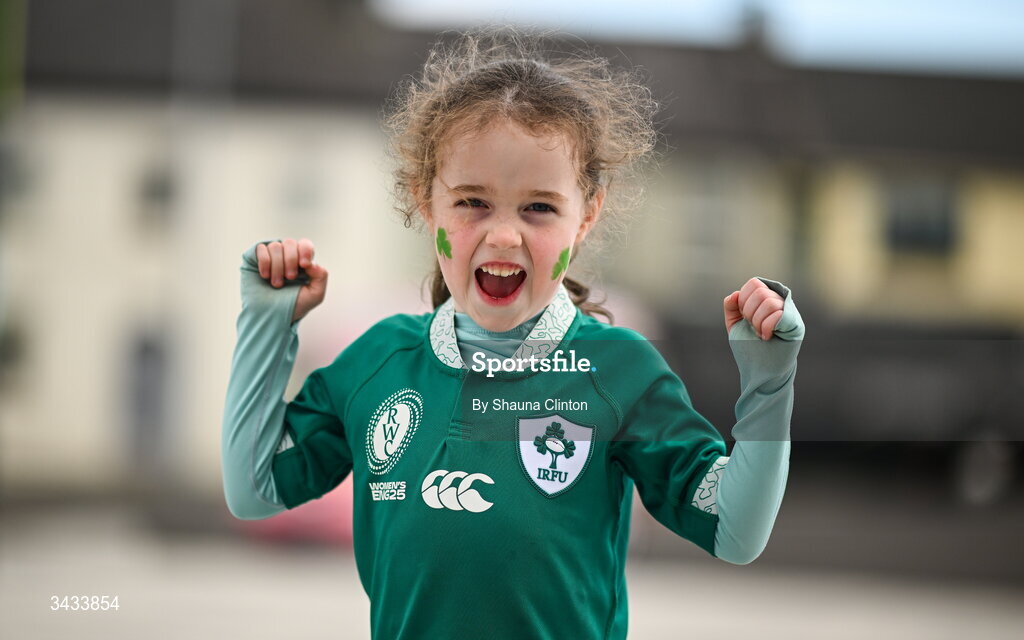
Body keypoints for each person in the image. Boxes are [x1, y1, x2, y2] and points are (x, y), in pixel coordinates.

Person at [222, 28, 804, 640]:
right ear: (427, 202)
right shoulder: (377, 361)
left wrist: (769, 383)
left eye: (538, 207)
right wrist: (265, 324)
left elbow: (736, 532)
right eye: (473, 201)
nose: (503, 235)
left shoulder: (619, 371)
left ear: (589, 214)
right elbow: (255, 489)